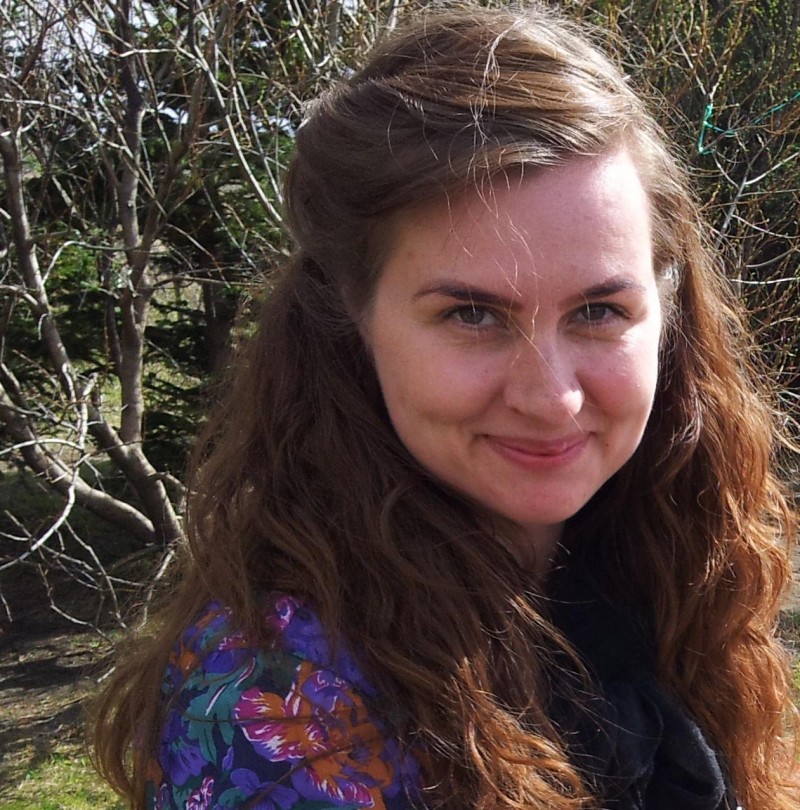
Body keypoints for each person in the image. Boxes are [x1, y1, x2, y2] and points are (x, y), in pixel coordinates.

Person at [91, 5, 799, 809]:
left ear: (665, 314)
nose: (553, 397)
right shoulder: (284, 713)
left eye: (599, 311)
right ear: (353, 318)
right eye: (472, 314)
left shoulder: (660, 556)